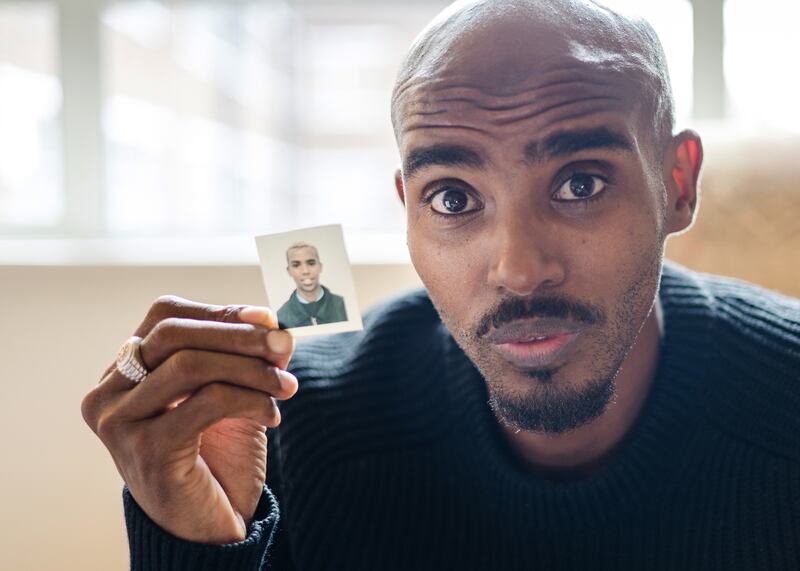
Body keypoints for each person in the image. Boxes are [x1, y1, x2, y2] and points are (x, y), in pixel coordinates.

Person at [81, 1, 800, 569]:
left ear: (676, 183)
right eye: (454, 198)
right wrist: (200, 544)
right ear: (407, 209)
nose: (518, 270)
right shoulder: (284, 432)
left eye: (580, 183)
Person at [276, 242, 348, 328]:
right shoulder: (281, 317)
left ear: (320, 266)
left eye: (311, 263)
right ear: (289, 271)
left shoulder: (343, 306)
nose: (305, 271)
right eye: (296, 265)